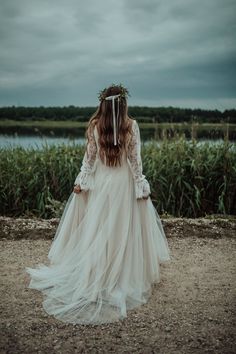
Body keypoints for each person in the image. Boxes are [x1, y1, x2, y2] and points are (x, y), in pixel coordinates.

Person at [25, 83, 171, 325]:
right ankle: (120, 273)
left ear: (102, 104)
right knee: (121, 229)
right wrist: (141, 185)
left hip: (103, 185)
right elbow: (135, 162)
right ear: (123, 104)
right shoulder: (131, 126)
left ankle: (100, 272)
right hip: (122, 185)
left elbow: (89, 159)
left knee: (100, 229)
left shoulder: (95, 126)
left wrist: (82, 180)